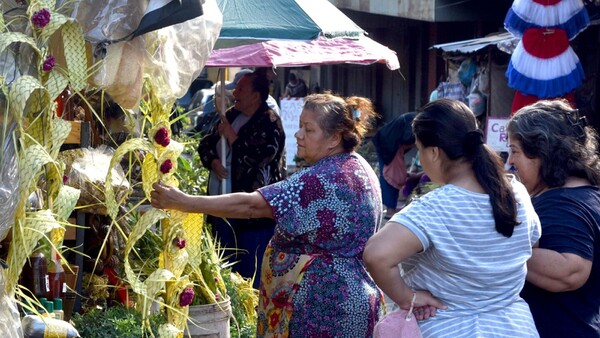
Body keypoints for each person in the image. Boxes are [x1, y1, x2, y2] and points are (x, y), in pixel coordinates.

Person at [151, 93, 383, 337]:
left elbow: (252, 205)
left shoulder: (320, 179)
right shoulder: (359, 165)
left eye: (309, 129)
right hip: (355, 298)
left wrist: (186, 202)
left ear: (334, 138)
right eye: (301, 126)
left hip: (323, 305)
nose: (298, 134)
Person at [363, 98, 541, 337]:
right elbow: (531, 244)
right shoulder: (516, 193)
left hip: (448, 327)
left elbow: (376, 254)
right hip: (516, 328)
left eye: (419, 148)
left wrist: (407, 297)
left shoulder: (435, 208)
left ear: (434, 152)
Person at [506, 99, 600, 338]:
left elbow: (570, 270)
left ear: (542, 152)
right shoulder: (589, 194)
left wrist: (494, 244)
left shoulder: (562, 203)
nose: (510, 162)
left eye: (515, 151)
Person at [197, 70, 286, 288]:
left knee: (251, 273)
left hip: (254, 214)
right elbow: (206, 143)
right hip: (224, 204)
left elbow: (261, 157)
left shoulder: (270, 121)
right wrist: (213, 161)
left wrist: (233, 138)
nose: (234, 92)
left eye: (241, 89)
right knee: (225, 268)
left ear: (256, 95)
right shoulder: (232, 115)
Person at [372, 112, 416, 219]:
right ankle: (390, 210)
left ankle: (392, 207)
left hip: (391, 144)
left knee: (396, 174)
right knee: (391, 176)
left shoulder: (415, 119)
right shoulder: (417, 122)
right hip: (388, 145)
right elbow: (407, 138)